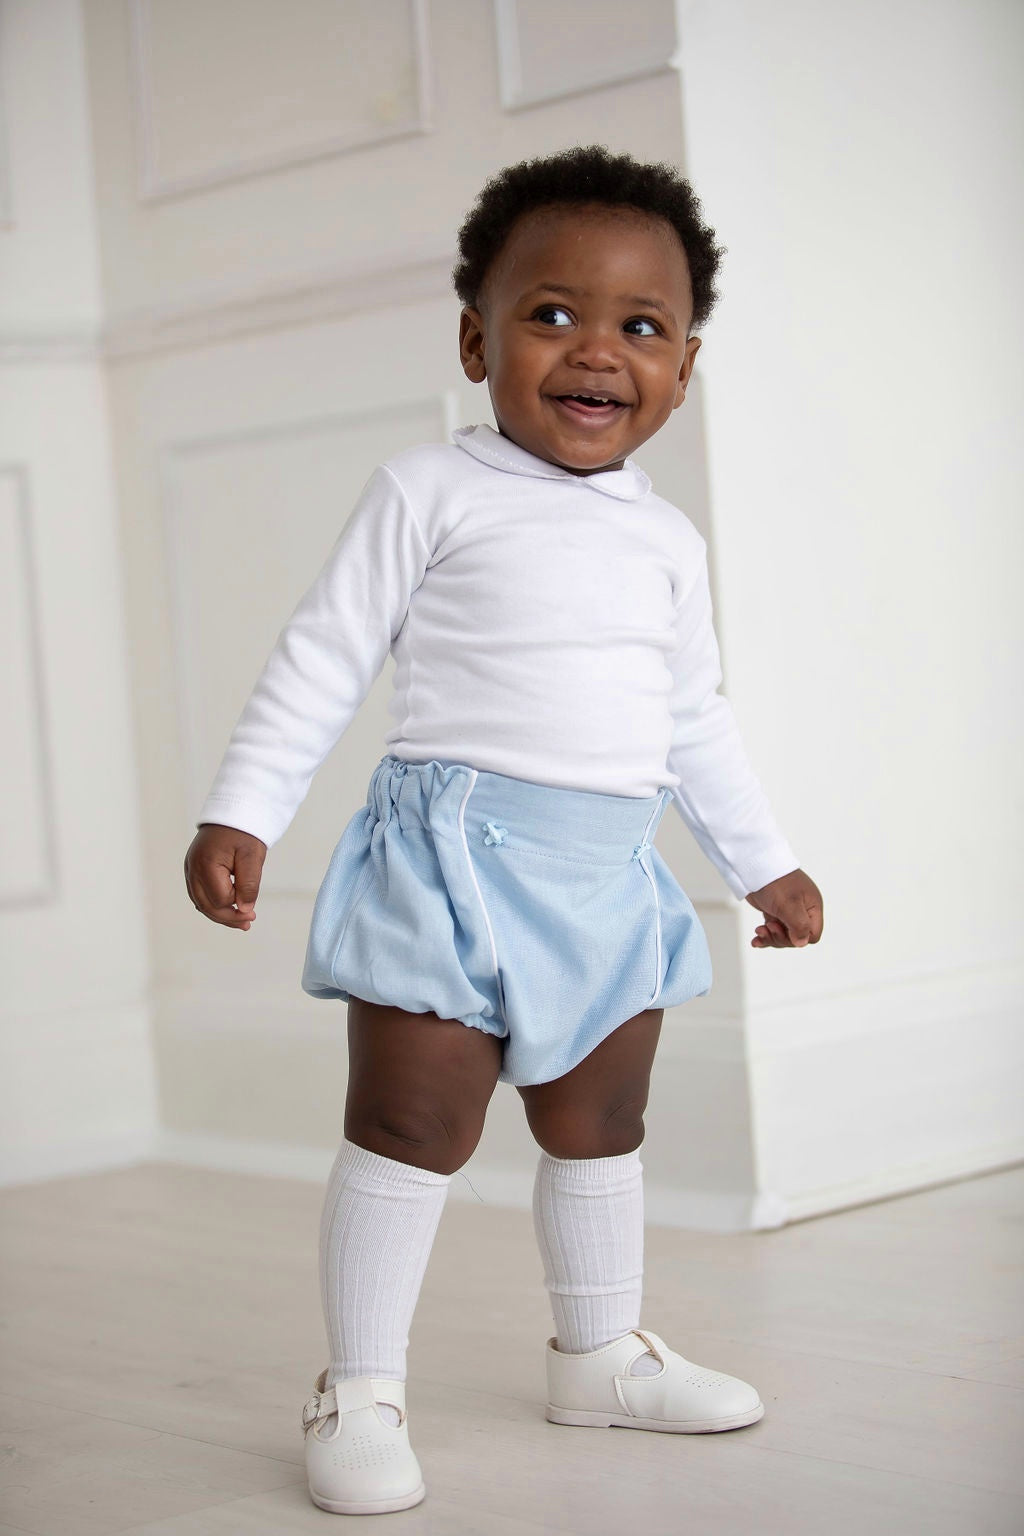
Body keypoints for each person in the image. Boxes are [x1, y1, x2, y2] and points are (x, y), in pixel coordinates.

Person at [183, 144, 824, 1517]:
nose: (596, 352)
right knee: (411, 1121)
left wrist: (760, 857)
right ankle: (359, 1389)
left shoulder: (667, 545)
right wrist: (245, 809)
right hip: (447, 860)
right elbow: (320, 658)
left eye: (641, 328)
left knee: (602, 1122)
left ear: (685, 367)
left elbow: (694, 716)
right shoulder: (430, 491)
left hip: (607, 869)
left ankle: (596, 1356)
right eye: (551, 315)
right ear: (476, 339)